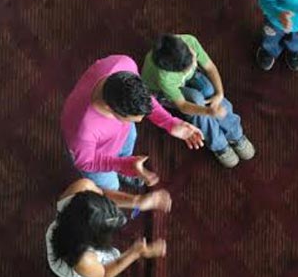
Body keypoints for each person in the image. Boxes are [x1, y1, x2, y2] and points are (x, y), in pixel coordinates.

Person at [62, 55, 204, 191]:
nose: (141, 120)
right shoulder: (82, 130)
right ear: (110, 109)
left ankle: (124, 168)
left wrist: (170, 123)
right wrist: (122, 165)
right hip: (98, 156)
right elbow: (85, 162)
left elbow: (144, 97)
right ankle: (121, 173)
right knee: (112, 187)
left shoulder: (124, 64)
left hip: (120, 135)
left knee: (130, 140)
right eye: (132, 119)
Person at [46, 178, 170, 277]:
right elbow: (103, 273)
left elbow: (100, 193)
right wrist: (135, 252)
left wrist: (137, 201)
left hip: (72, 248)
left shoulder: (82, 187)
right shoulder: (84, 260)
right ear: (94, 238)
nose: (121, 219)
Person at [141, 34, 255, 168]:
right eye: (190, 64)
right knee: (196, 100)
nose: (196, 62)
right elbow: (182, 105)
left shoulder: (189, 41)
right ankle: (219, 145)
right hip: (161, 92)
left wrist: (219, 94)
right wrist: (207, 111)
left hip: (187, 79)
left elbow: (210, 68)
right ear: (178, 71)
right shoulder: (164, 77)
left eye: (193, 56)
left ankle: (235, 134)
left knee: (208, 89)